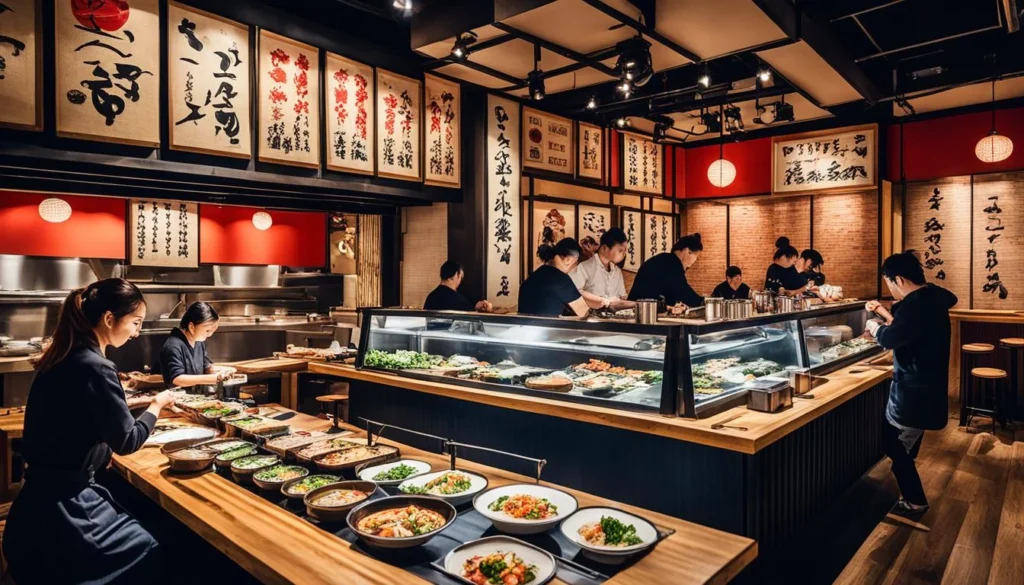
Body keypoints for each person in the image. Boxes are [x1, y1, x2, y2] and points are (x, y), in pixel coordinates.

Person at [3, 279, 178, 584]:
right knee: (150, 549)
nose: (137, 332)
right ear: (109, 319)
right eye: (135, 322)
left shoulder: (60, 356)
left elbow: (72, 427)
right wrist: (157, 405)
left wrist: (100, 450)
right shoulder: (98, 366)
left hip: (32, 509)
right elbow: (127, 440)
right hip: (66, 511)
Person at [865, 251, 957, 517]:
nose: (891, 290)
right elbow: (907, 330)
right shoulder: (931, 300)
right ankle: (910, 494)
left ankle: (915, 500)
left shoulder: (917, 305)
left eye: (890, 284)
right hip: (927, 387)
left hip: (914, 391)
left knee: (893, 444)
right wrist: (882, 312)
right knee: (904, 444)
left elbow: (892, 338)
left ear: (900, 279)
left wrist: (874, 326)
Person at [160, 302, 235, 388]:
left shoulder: (199, 342)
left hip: (195, 396)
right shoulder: (173, 345)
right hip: (174, 397)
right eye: (207, 331)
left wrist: (222, 371)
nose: (210, 335)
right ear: (192, 327)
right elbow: (177, 379)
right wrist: (214, 378)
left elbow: (205, 366)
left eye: (212, 331)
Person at [628, 233, 705, 310]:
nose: (694, 261)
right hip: (642, 312)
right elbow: (683, 292)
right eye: (696, 257)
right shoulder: (672, 264)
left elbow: (673, 293)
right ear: (687, 251)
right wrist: (703, 302)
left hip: (639, 309)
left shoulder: (665, 260)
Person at [518, 238, 589, 317]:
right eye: (576, 264)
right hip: (547, 328)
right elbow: (583, 313)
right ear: (569, 260)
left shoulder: (534, 275)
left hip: (524, 327)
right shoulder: (562, 280)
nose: (574, 269)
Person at [570, 228, 635, 311]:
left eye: (625, 251)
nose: (623, 254)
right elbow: (573, 291)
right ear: (605, 248)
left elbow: (622, 298)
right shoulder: (585, 267)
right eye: (620, 250)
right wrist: (603, 301)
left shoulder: (617, 271)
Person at [423, 261, 492, 312]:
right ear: (457, 275)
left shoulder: (430, 297)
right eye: (461, 276)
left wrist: (475, 306)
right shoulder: (459, 300)